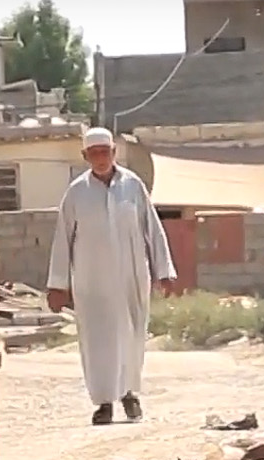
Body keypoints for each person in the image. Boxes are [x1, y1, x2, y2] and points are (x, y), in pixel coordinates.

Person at [47, 127, 176, 425]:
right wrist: (58, 284)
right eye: (94, 153)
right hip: (92, 282)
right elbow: (62, 240)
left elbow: (153, 229)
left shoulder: (133, 186)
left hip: (131, 277)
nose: (100, 158)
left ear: (114, 152)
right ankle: (104, 402)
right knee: (97, 341)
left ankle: (130, 394)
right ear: (85, 156)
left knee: (132, 336)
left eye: (105, 152)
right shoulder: (76, 193)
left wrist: (163, 270)